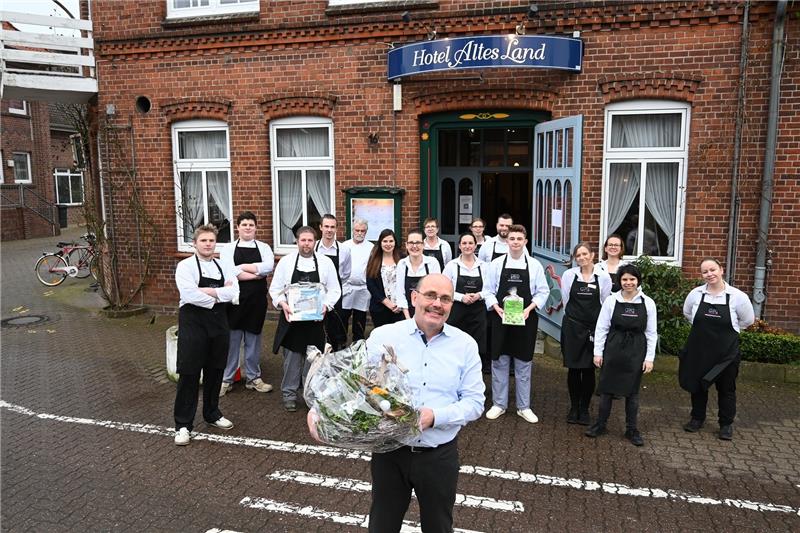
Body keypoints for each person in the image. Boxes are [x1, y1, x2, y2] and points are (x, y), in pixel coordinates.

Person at [307, 274, 485, 532]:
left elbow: (475, 402)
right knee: (382, 525)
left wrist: (433, 416)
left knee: (438, 526)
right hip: (390, 453)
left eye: (445, 299)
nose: (438, 303)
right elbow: (351, 382)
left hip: (438, 456)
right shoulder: (384, 335)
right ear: (414, 298)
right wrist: (320, 409)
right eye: (431, 295)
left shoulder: (465, 345)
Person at [173, 224, 239, 446]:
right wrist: (219, 294)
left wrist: (209, 292)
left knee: (215, 370)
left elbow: (234, 293)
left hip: (219, 324)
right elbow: (189, 295)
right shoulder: (185, 266)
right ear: (195, 243)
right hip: (193, 325)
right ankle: (183, 425)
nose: (208, 244)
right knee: (189, 374)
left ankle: (212, 413)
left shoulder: (223, 266)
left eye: (211, 241)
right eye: (204, 241)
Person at [679, 258, 755, 441]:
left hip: (726, 355)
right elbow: (688, 313)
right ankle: (697, 418)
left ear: (721, 270)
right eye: (705, 271)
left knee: (726, 389)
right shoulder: (696, 294)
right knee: (697, 387)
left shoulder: (738, 297)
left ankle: (726, 424)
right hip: (700, 350)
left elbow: (748, 321)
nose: (709, 274)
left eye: (712, 269)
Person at [269, 226, 341, 412]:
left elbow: (335, 290)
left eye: (310, 240)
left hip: (316, 320)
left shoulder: (325, 263)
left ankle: (310, 394)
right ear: (297, 241)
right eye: (303, 240)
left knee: (314, 360)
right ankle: (289, 394)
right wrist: (282, 304)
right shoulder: (286, 262)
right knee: (291, 359)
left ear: (314, 242)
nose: (306, 244)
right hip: (292, 320)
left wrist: (326, 306)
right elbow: (275, 290)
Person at [585, 264, 657, 446]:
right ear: (619, 281)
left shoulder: (647, 303)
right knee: (607, 390)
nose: (628, 283)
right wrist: (597, 353)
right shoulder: (611, 301)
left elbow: (651, 332)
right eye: (624, 279)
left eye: (632, 279)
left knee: (632, 393)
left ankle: (631, 429)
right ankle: (601, 424)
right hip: (614, 348)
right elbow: (601, 328)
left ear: (638, 281)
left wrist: (649, 358)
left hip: (636, 350)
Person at [484, 224, 549, 424]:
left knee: (523, 363)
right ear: (507, 241)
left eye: (519, 239)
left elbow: (543, 291)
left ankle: (523, 407)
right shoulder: (496, 264)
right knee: (500, 361)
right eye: (512, 239)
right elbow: (487, 290)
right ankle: (499, 404)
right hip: (500, 318)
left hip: (526, 320)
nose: (515, 242)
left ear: (525, 242)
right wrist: (496, 307)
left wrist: (529, 309)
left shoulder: (534, 265)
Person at [219, 211, 274, 397]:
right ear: (237, 227)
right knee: (232, 341)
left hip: (256, 301)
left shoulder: (264, 247)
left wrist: (240, 268)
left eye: (251, 224)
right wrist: (254, 273)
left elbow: (268, 267)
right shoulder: (227, 249)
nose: (248, 227)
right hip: (234, 301)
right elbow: (228, 271)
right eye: (244, 224)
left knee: (253, 339)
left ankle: (253, 378)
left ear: (256, 227)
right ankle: (226, 379)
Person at [560, 242, 612, 425]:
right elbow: (565, 300)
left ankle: (584, 408)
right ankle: (573, 407)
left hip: (593, 329)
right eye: (578, 255)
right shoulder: (568, 275)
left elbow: (605, 304)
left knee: (589, 370)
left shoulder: (604, 278)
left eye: (584, 254)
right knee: (574, 369)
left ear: (592, 255)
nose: (581, 258)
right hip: (573, 328)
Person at [443, 232, 490, 374]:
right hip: (457, 312)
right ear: (459, 246)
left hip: (478, 313)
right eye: (464, 243)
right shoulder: (452, 265)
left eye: (470, 243)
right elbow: (445, 288)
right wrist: (460, 297)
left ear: (476, 245)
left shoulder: (484, 266)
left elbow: (491, 289)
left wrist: (479, 295)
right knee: (454, 347)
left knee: (478, 348)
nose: (467, 246)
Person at [315, 214, 352, 351]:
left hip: (336, 294)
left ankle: (334, 357)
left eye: (332, 227)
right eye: (326, 226)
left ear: (336, 229)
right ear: (320, 228)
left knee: (335, 329)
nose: (329, 230)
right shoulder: (314, 248)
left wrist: (333, 286)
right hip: (316, 293)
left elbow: (346, 274)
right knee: (317, 327)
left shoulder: (344, 250)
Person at [341, 218, 374, 344]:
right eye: (357, 230)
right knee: (343, 317)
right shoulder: (344, 246)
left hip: (363, 288)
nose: (360, 233)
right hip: (347, 287)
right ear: (352, 230)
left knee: (360, 319)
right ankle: (342, 342)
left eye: (363, 230)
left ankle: (358, 344)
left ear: (366, 231)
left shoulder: (371, 247)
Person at [396, 229, 441, 319]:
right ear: (406, 245)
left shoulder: (432, 263)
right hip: (407, 312)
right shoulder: (402, 264)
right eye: (411, 243)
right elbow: (400, 293)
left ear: (423, 245)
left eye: (418, 243)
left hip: (429, 311)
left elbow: (436, 291)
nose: (414, 246)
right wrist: (408, 319)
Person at [365, 229, 404, 327]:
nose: (388, 244)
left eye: (391, 241)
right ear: (380, 243)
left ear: (395, 242)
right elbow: (371, 284)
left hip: (400, 307)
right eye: (385, 241)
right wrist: (387, 303)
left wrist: (399, 304)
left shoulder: (402, 258)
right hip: (380, 308)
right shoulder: (374, 259)